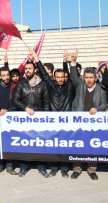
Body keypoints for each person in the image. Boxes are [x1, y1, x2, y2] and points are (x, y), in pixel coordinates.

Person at [31, 49, 74, 178]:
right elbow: (44, 74)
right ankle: (54, 168)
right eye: (58, 77)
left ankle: (65, 168)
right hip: (53, 120)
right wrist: (36, 59)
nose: (60, 79)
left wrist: (66, 61)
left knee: (65, 145)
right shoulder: (50, 85)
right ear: (54, 77)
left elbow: (71, 76)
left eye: (63, 77)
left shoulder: (69, 86)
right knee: (55, 145)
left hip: (66, 120)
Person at [68, 50, 107, 180]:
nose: (89, 80)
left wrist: (97, 108)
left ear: (96, 77)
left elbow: (104, 104)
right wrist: (73, 62)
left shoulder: (101, 89)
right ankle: (77, 169)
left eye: (91, 77)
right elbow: (73, 76)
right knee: (77, 145)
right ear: (83, 78)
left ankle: (92, 170)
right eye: (87, 77)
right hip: (79, 121)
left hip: (93, 122)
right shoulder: (79, 85)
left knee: (92, 146)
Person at [12, 60, 50, 178]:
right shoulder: (21, 84)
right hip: (25, 119)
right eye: (26, 69)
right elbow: (15, 100)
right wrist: (26, 108)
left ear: (35, 70)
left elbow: (46, 103)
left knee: (39, 143)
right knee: (25, 143)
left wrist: (45, 117)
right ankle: (23, 166)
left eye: (30, 68)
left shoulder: (43, 84)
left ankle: (41, 166)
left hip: (39, 119)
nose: (28, 70)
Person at [0, 67, 18, 175]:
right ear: (0, 76)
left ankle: (9, 165)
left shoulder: (15, 86)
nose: (6, 77)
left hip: (10, 116)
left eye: (8, 75)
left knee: (10, 141)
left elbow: (17, 102)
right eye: (4, 75)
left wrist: (8, 110)